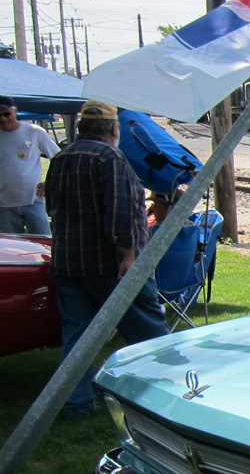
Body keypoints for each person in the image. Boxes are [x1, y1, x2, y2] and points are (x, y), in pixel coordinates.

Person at [46, 100, 168, 420]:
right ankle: (174, 396)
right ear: (114, 130)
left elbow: (51, 208)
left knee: (79, 337)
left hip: (67, 262)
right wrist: (129, 254)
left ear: (82, 128)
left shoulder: (60, 158)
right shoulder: (111, 157)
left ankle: (74, 404)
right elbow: (123, 210)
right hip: (108, 265)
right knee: (149, 333)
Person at [0, 95, 60, 235]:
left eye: (6, 114)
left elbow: (60, 158)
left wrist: (50, 181)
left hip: (33, 200)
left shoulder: (34, 132)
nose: (3, 119)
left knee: (43, 244)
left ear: (15, 111)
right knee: (13, 250)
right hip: (4, 205)